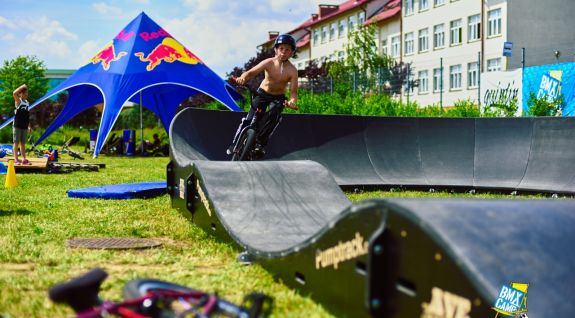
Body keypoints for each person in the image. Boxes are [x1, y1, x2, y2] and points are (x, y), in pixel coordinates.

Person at [227, 34, 299, 156]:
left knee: (274, 117)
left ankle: (260, 144)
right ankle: (235, 143)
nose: (283, 52)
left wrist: (292, 102)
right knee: (249, 119)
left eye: (287, 50)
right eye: (281, 49)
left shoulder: (292, 70)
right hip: (262, 94)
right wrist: (241, 78)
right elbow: (249, 73)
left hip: (278, 97)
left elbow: (293, 92)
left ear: (292, 52)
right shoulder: (268, 63)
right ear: (276, 49)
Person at [12, 84, 32, 165]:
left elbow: (27, 115)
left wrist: (29, 126)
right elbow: (14, 93)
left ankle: (24, 159)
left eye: (27, 93)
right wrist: (21, 87)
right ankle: (16, 159)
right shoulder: (18, 101)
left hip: (24, 125)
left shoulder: (27, 103)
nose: (26, 94)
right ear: (20, 93)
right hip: (17, 125)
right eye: (24, 93)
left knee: (23, 143)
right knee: (16, 142)